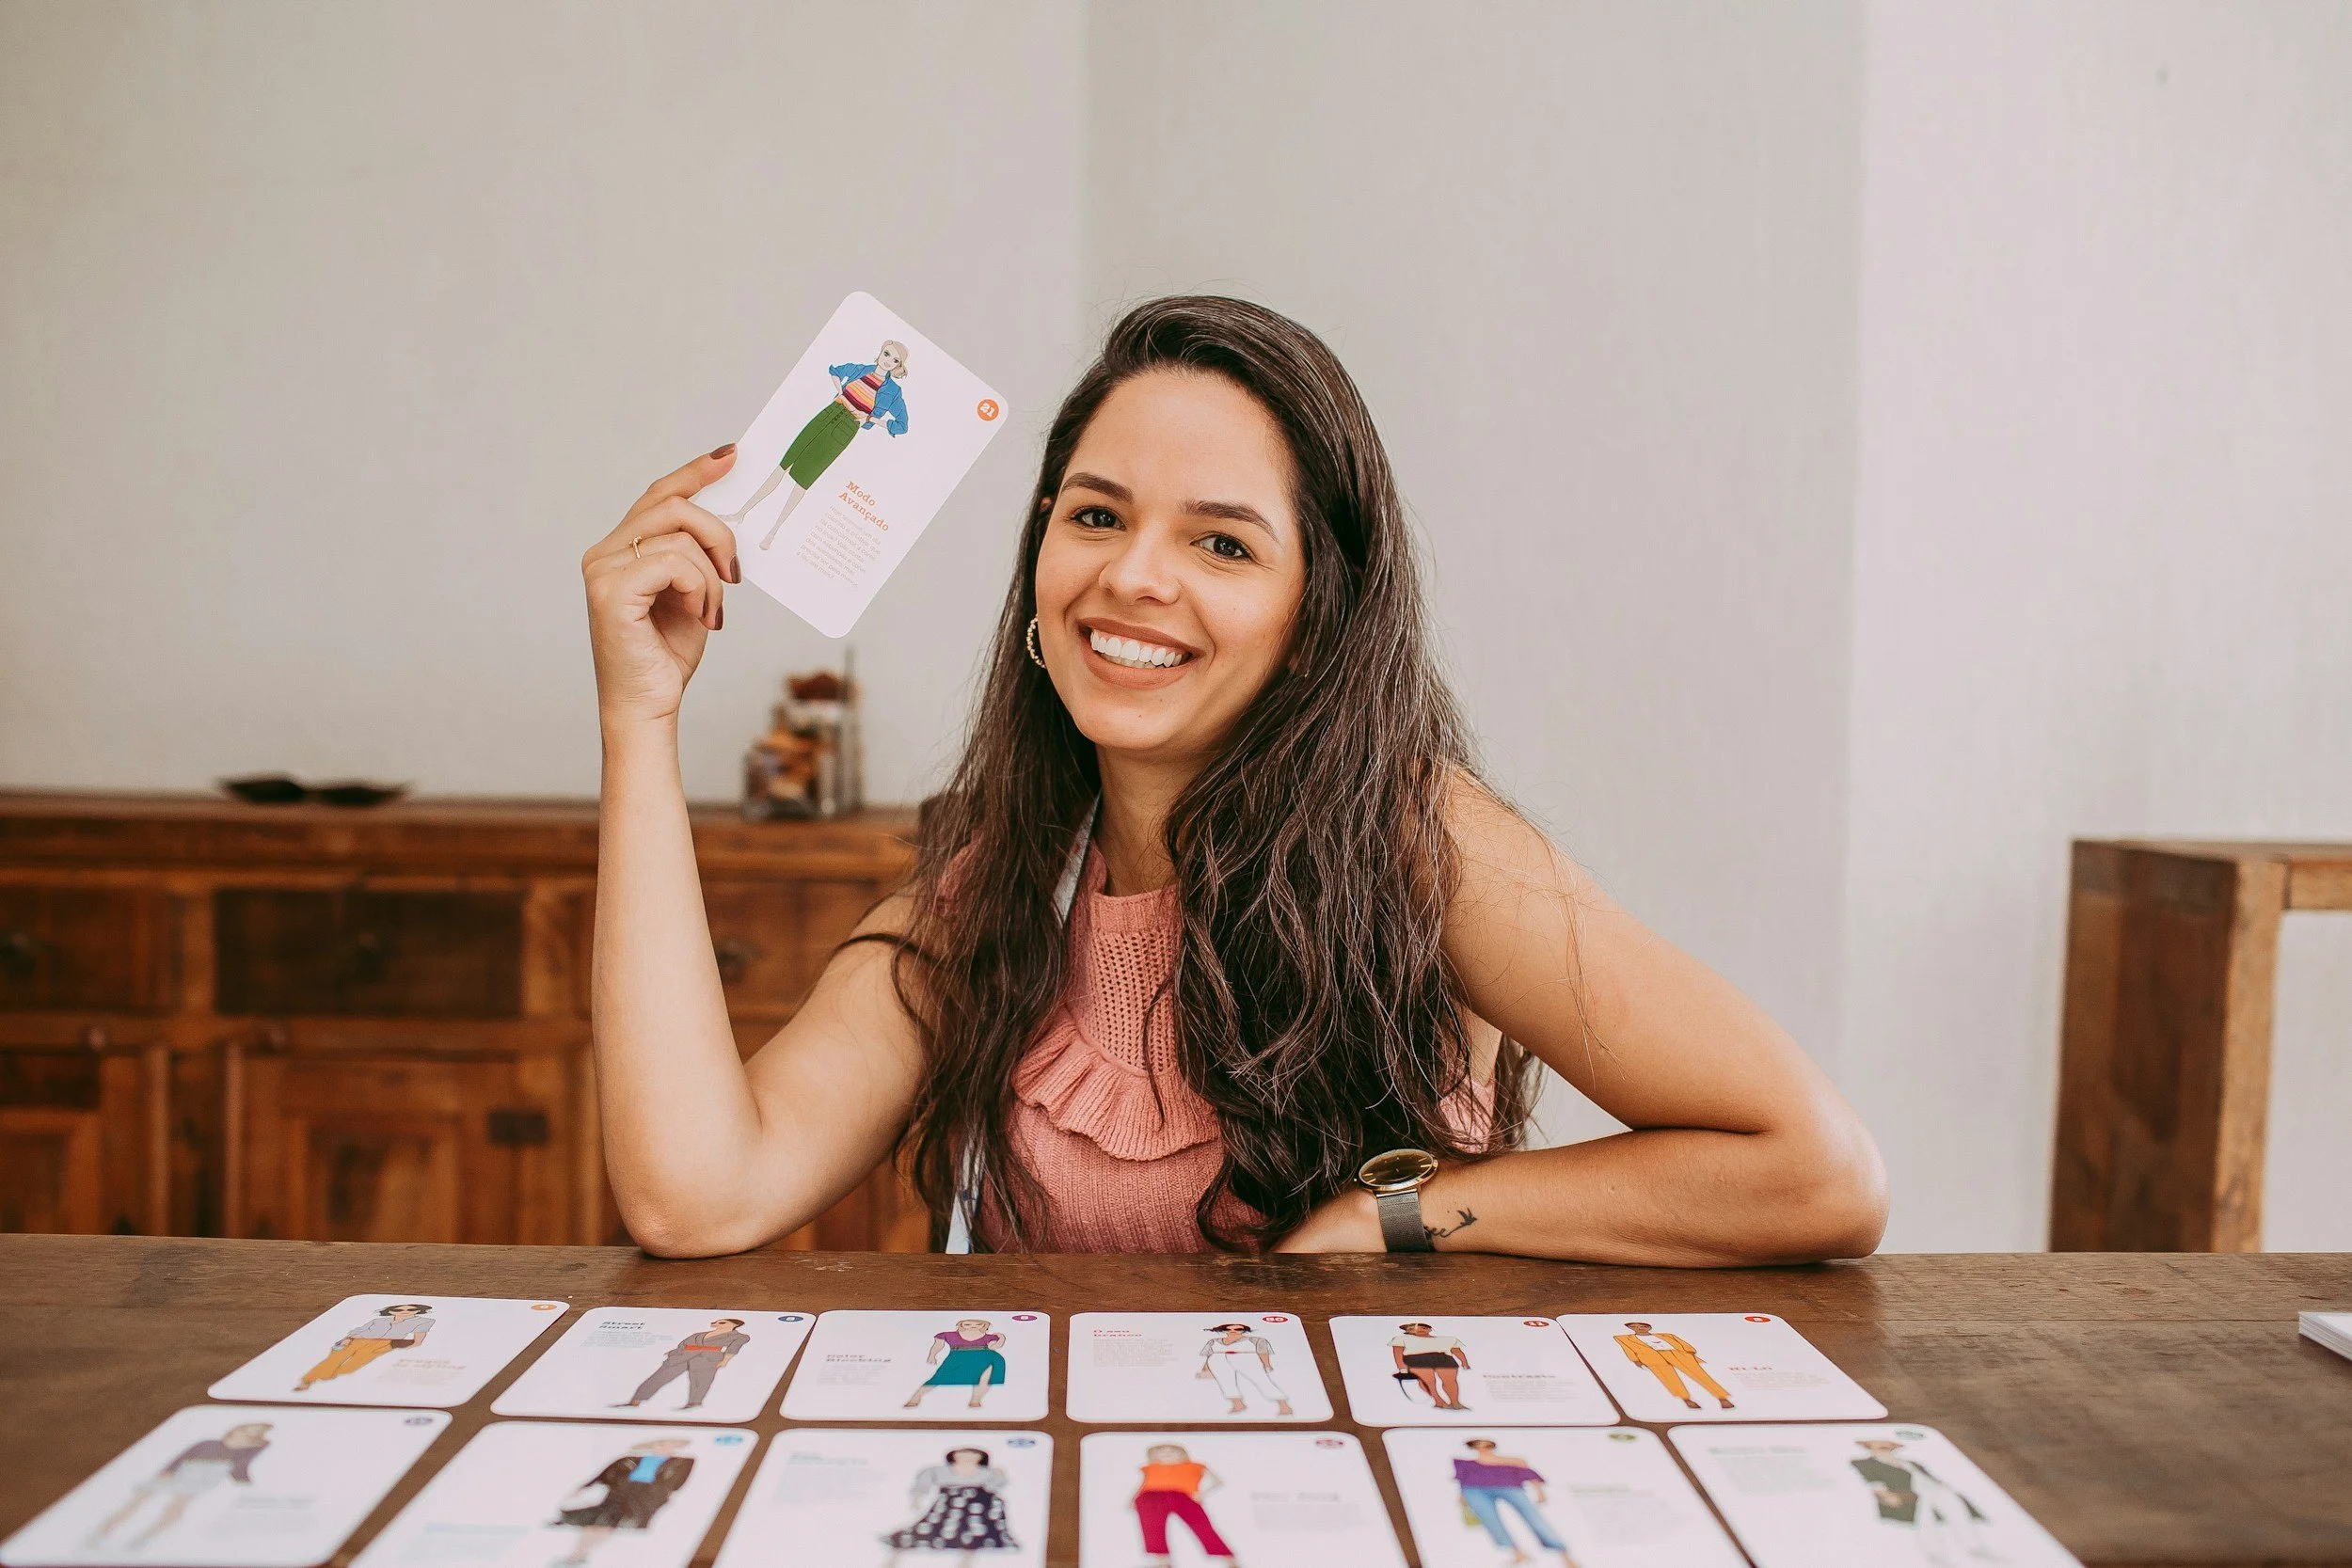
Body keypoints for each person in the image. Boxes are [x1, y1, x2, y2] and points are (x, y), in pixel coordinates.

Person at [582, 294, 1890, 1260]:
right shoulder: (994, 890)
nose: (1135, 575)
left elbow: (1815, 1170)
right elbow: (701, 1191)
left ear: (1318, 609)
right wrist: (642, 718)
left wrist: (1403, 1210)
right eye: (1096, 514)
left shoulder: (1420, 841)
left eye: (1221, 539)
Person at [717, 339, 911, 549]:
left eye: (895, 360)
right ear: (880, 352)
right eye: (886, 354)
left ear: (898, 366)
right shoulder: (860, 369)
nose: (888, 361)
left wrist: (871, 419)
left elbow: (902, 425)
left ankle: (772, 533)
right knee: (785, 465)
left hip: (845, 429)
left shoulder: (893, 392)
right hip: (828, 414)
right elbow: (835, 371)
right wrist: (839, 392)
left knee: (804, 480)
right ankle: (740, 514)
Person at [85, 1422, 273, 1550]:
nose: (243, 1438)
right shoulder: (206, 1443)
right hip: (182, 1471)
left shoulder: (246, 1451)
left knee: (175, 1509)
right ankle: (100, 1534)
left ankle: (142, 1540)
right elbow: (180, 1458)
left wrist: (248, 1482)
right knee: (136, 1503)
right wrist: (166, 1472)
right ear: (234, 1430)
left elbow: (240, 1468)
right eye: (244, 1432)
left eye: (251, 1437)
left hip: (204, 1478)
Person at [1850, 1438, 2004, 1566]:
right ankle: (1935, 1555)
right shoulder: (1866, 1463)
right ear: (1870, 1447)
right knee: (1924, 1513)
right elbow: (1874, 1483)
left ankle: (1974, 1548)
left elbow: (1931, 1478)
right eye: (1880, 1446)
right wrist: (1885, 1495)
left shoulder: (1911, 1462)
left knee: (1953, 1506)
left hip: (1935, 1492)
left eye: (1888, 1446)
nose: (1885, 1448)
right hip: (1908, 1497)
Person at [551, 1437, 693, 1568]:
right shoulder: (631, 1459)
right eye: (660, 1444)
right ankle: (577, 1555)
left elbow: (676, 1485)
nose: (662, 1448)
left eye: (667, 1445)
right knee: (597, 1522)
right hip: (618, 1495)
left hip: (642, 1500)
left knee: (605, 1523)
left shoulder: (681, 1462)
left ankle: (577, 1556)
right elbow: (604, 1474)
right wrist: (583, 1488)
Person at [1452, 1439, 1578, 1567]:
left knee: (1533, 1517)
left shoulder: (1512, 1460)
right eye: (1477, 1446)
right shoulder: (1467, 1464)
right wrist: (1462, 1496)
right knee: (1491, 1520)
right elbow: (1464, 1480)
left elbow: (1529, 1474)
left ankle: (1564, 1555)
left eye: (1486, 1445)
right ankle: (1517, 1553)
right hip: (1475, 1490)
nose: (1482, 1448)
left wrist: (1540, 1492)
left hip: (1509, 1487)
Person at [881, 1446, 1018, 1562]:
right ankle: (893, 1560)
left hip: (978, 1506)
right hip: (949, 1504)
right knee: (927, 1531)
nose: (967, 1457)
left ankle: (965, 1562)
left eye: (973, 1455)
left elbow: (994, 1486)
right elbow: (923, 1483)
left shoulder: (987, 1472)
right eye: (962, 1455)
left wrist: (1000, 1476)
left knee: (974, 1536)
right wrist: (917, 1498)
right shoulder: (939, 1471)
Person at [1131, 1444, 1234, 1567]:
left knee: (1202, 1526)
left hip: (1183, 1496)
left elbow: (1217, 1481)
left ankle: (1229, 1560)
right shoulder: (1151, 1468)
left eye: (1172, 1451)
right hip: (1151, 1497)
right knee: (1152, 1528)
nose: (1167, 1454)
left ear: (1182, 1454)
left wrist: (1202, 1493)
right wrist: (1133, 1499)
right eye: (1162, 1452)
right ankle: (1162, 1562)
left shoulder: (1195, 1466)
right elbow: (1144, 1484)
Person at [612, 1318, 749, 1411]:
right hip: (682, 1356)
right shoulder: (699, 1334)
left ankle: (694, 1404)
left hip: (707, 1358)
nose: (717, 1324)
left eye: (722, 1322)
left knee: (700, 1382)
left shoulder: (739, 1336)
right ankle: (635, 1400)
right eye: (716, 1322)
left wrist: (725, 1361)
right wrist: (674, 1353)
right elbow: (684, 1344)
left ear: (734, 1325)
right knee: (658, 1377)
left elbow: (733, 1349)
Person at [296, 1304, 434, 1391]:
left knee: (356, 1364)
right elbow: (360, 1329)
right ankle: (308, 1380)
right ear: (390, 1312)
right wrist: (347, 1339)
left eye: (411, 1309)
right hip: (358, 1339)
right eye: (398, 1309)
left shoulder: (423, 1321)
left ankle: (328, 1375)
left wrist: (416, 1344)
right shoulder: (378, 1320)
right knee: (335, 1358)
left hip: (385, 1343)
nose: (405, 1311)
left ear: (418, 1311)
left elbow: (420, 1333)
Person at [1612, 1322, 1734, 1411]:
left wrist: (1690, 1352)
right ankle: (1686, 1399)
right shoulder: (1623, 1338)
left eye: (1643, 1326)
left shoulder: (1667, 1335)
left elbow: (1683, 1343)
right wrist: (1635, 1360)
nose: (1640, 1328)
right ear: (1629, 1328)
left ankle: (1722, 1398)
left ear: (1649, 1327)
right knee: (1668, 1378)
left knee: (1700, 1375)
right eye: (1634, 1327)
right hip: (1651, 1357)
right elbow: (1627, 1348)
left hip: (1678, 1354)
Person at [904, 1319, 1008, 1410]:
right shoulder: (948, 1335)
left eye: (978, 1324)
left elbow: (993, 1347)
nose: (973, 1326)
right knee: (938, 1377)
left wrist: (1001, 1338)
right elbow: (938, 1345)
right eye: (968, 1324)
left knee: (983, 1379)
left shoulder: (989, 1337)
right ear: (961, 1325)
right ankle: (915, 1398)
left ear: (984, 1325)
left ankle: (975, 1400)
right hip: (957, 1357)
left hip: (985, 1358)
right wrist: (932, 1355)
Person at [1196, 1323, 1292, 1416]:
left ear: (1244, 1330)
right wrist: (1205, 1367)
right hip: (1218, 1360)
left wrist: (1267, 1364)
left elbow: (1263, 1352)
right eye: (1228, 1329)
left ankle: (1284, 1406)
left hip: (1245, 1358)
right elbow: (1210, 1354)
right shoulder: (1214, 1341)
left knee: (1262, 1381)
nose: (1233, 1331)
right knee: (1225, 1383)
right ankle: (1238, 1404)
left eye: (1238, 1329)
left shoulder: (1254, 1340)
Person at [1391, 1322, 1471, 1409]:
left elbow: (1457, 1351)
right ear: (1409, 1331)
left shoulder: (1448, 1339)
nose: (1421, 1329)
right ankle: (1439, 1401)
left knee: (1450, 1382)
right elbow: (1397, 1353)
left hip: (1444, 1359)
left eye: (1424, 1327)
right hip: (1417, 1359)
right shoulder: (1401, 1339)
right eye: (1416, 1327)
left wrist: (1464, 1362)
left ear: (1430, 1329)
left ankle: (1455, 1403)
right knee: (1428, 1382)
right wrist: (1402, 1367)